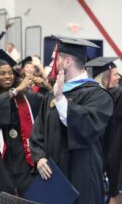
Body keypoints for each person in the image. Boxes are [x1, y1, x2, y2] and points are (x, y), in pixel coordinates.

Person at [30, 35, 114, 204]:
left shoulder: (98, 95)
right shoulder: (50, 96)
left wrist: (61, 99)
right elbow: (37, 133)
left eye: (55, 59)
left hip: (82, 178)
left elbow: (86, 127)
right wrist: (39, 158)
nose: (52, 62)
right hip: (53, 179)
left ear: (67, 62)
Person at [0, 49, 42, 203]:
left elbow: (45, 104)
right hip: (1, 158)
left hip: (22, 156)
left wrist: (46, 84)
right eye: (2, 73)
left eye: (10, 72)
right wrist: (16, 90)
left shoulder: (24, 98)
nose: (8, 76)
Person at [85, 57, 122, 204]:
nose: (119, 77)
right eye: (115, 74)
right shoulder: (113, 95)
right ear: (105, 77)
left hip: (107, 152)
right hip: (107, 153)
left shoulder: (99, 94)